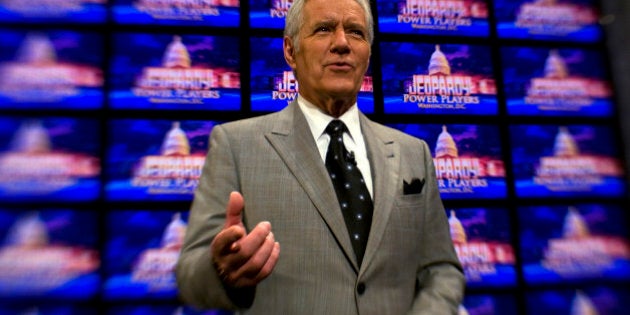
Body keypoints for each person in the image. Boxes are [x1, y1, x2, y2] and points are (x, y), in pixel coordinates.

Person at [175, 0, 465, 313]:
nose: (341, 43)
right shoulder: (235, 145)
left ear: (368, 52)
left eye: (355, 32)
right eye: (324, 29)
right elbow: (191, 276)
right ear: (290, 51)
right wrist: (224, 272)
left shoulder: (415, 153)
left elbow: (442, 270)